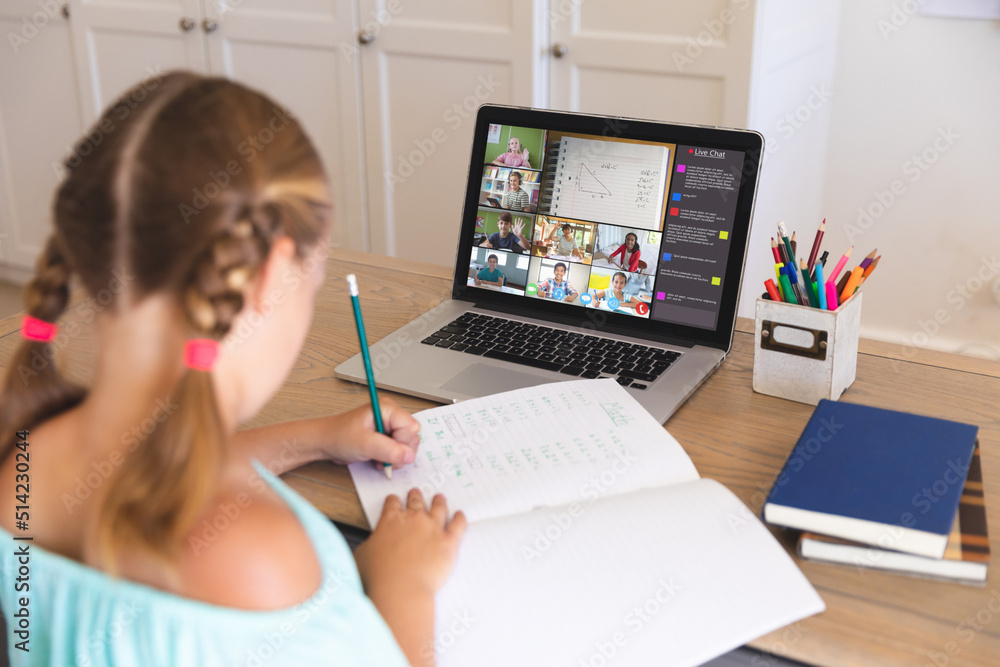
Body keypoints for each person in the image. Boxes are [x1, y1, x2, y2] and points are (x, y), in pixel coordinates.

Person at [0, 72, 465, 667]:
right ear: (270, 276)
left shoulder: (28, 450)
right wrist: (402, 586)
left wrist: (312, 438)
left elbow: (157, 464)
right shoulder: (258, 563)